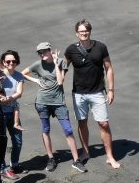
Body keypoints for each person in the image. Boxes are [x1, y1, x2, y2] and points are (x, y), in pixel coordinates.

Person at [22, 41, 86, 173]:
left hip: (58, 103)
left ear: (50, 50)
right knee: (45, 130)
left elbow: (60, 81)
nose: (42, 54)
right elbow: (22, 73)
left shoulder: (61, 62)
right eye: (39, 52)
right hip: (42, 102)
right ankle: (51, 158)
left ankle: (76, 160)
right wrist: (36, 80)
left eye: (44, 51)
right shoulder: (37, 64)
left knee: (68, 130)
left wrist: (56, 63)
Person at [64, 19, 120, 170]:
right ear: (77, 33)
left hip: (97, 92)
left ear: (90, 31)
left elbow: (108, 68)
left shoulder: (100, 47)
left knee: (104, 123)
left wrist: (111, 90)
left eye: (86, 30)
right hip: (79, 94)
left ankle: (110, 156)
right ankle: (86, 152)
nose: (84, 33)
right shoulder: (71, 50)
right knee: (82, 122)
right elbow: (63, 69)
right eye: (81, 31)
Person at [0, 49, 25, 178]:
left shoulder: (19, 76)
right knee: (2, 141)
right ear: (3, 62)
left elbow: (19, 93)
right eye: (8, 61)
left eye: (14, 61)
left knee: (18, 141)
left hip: (14, 112)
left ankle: (14, 165)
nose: (11, 63)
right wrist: (0, 97)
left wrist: (8, 99)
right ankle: (3, 168)